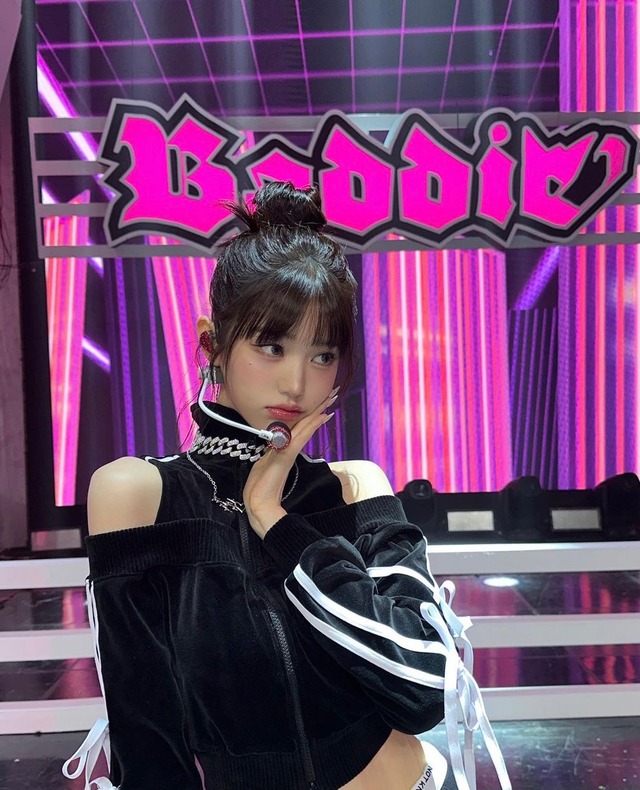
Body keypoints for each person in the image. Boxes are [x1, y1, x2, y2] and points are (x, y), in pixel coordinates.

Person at [63, 182, 510, 790]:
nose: (297, 383)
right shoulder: (139, 494)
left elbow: (425, 688)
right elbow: (148, 738)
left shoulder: (355, 488)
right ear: (211, 345)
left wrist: (278, 525)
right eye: (271, 346)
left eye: (323, 355)